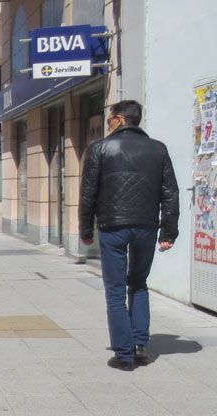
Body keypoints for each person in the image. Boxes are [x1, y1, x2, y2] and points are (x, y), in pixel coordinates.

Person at [79, 99, 180, 371]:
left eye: (111, 118)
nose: (108, 122)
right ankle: (138, 346)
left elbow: (88, 194)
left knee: (114, 290)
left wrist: (86, 229)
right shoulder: (158, 149)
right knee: (138, 282)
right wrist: (168, 232)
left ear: (121, 119)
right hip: (146, 227)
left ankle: (123, 355)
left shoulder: (99, 148)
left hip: (112, 227)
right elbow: (170, 194)